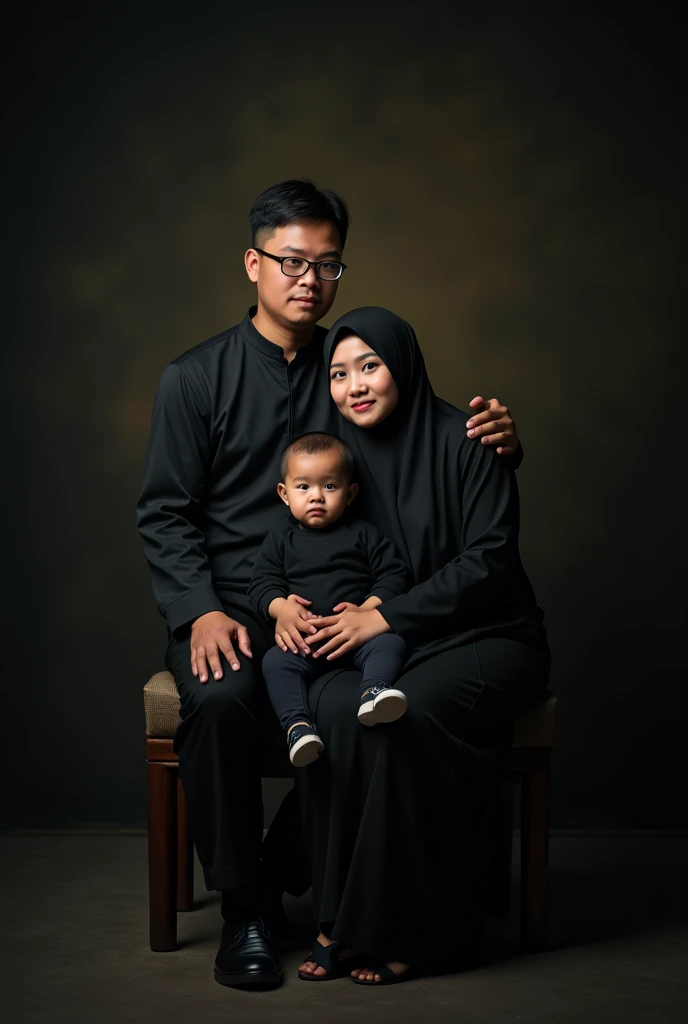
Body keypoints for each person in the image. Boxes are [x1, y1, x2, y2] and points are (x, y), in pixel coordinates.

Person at [136, 179, 525, 990]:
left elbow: (423, 436)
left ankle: (307, 876)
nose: (309, 280)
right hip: (233, 608)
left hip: (341, 601)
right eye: (291, 261)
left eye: (328, 265)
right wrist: (201, 610)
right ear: (253, 264)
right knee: (218, 698)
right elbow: (166, 515)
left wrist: (493, 440)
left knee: (363, 711)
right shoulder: (194, 379)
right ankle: (247, 907)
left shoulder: (349, 363)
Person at [295, 307, 550, 986]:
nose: (355, 385)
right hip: (391, 644)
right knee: (338, 706)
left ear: (402, 364)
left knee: (409, 714)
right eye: (339, 372)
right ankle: (344, 924)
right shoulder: (336, 462)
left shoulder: (468, 439)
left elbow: (490, 560)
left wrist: (386, 617)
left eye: (370, 366)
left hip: (491, 636)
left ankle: (428, 933)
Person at [249, 432, 409, 768]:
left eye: (330, 487)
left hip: (357, 639)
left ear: (350, 493)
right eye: (303, 487)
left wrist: (367, 611)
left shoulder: (362, 534)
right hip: (305, 644)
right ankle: (297, 727)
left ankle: (374, 692)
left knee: (391, 643)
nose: (316, 497)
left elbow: (394, 575)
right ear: (284, 493)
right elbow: (262, 584)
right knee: (274, 663)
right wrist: (282, 609)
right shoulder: (281, 539)